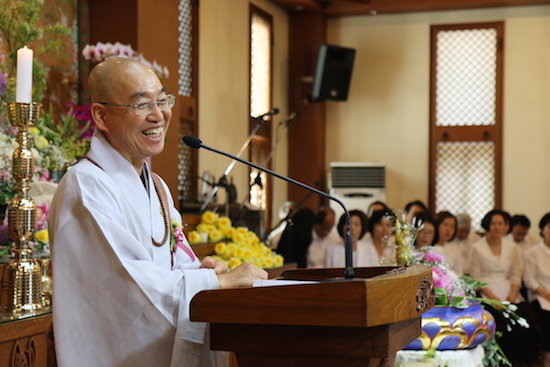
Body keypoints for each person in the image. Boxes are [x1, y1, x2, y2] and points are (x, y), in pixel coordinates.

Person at [49, 58, 268, 367]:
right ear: (101, 115)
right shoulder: (86, 186)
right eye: (141, 105)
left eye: (163, 100)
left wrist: (202, 272)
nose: (159, 115)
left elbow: (170, 267)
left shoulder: (157, 187)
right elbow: (129, 286)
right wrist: (217, 284)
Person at [524, 213, 550, 367]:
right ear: (542, 230)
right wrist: (545, 293)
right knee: (548, 317)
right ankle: (547, 355)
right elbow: (529, 279)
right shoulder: (533, 252)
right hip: (540, 296)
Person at [433, 211, 463, 275]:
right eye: (445, 225)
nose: (448, 229)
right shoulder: (429, 247)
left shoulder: (455, 248)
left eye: (452, 227)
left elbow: (459, 273)